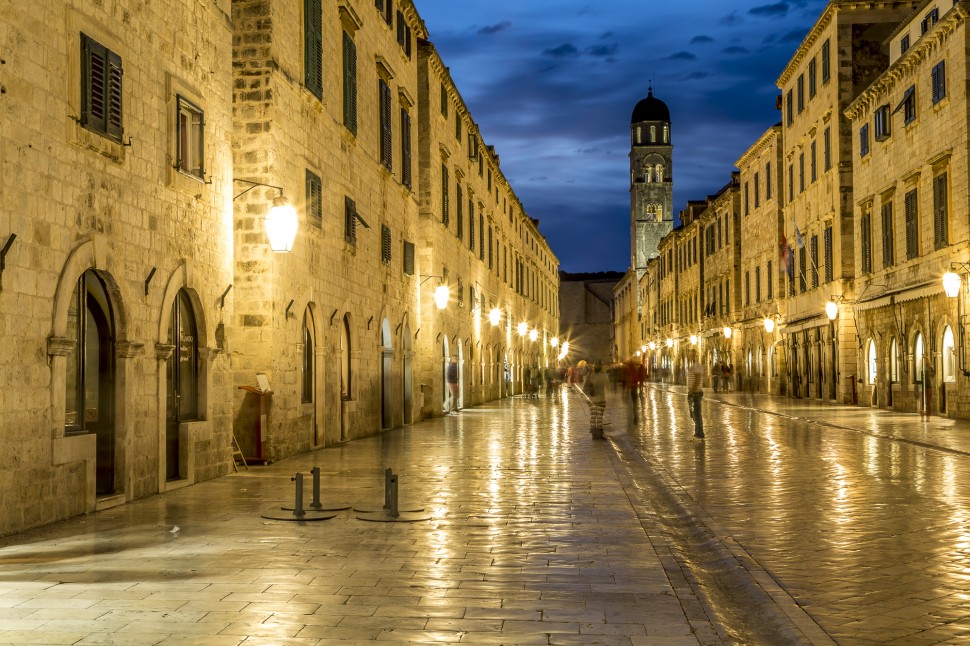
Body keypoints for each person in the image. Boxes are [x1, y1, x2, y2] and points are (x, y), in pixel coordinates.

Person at [586, 361, 609, 438]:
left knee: (593, 415)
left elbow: (589, 384)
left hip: (592, 398)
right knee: (599, 416)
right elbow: (607, 385)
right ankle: (599, 432)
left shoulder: (591, 374)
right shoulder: (604, 375)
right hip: (601, 398)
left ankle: (593, 432)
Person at [686, 349, 704, 439]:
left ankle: (699, 433)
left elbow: (697, 380)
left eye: (692, 355)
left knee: (696, 413)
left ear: (696, 355)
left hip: (695, 393)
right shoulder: (693, 366)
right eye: (690, 355)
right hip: (693, 392)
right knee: (693, 414)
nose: (691, 357)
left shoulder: (697, 366)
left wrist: (692, 391)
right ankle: (698, 432)